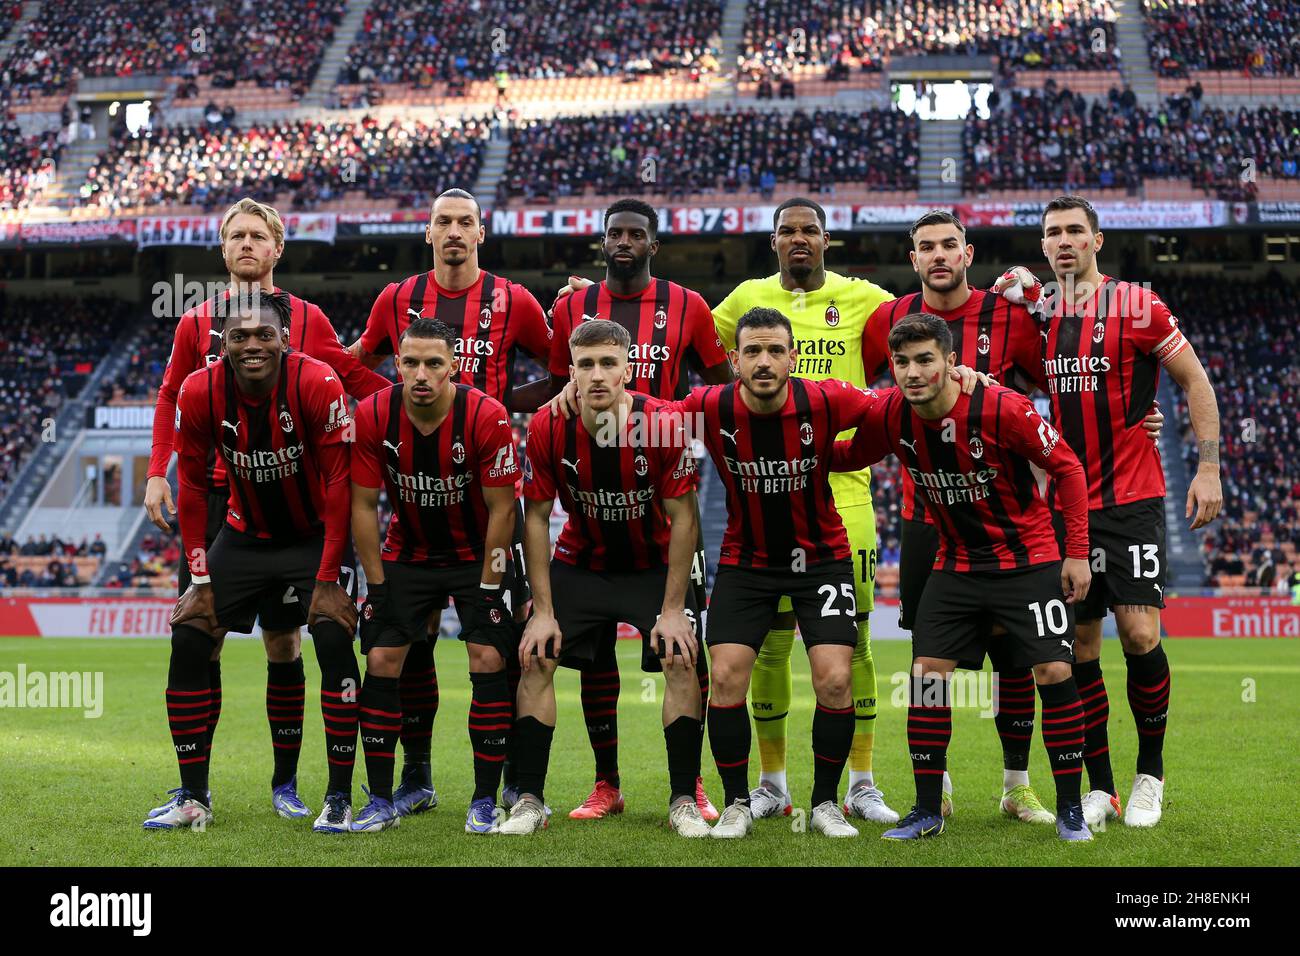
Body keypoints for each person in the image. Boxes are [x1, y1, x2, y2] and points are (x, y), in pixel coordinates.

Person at [861, 209, 1162, 823]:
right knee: (929, 656)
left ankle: (1016, 784)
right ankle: (934, 788)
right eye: (927, 247)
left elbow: (1060, 383)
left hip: (1008, 519)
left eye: (950, 245)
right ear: (912, 257)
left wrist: (1137, 412)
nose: (939, 255)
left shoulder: (1010, 317)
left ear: (968, 253)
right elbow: (861, 397)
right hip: (929, 516)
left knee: (1020, 658)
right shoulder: (884, 321)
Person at [143, 197, 386, 822]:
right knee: (202, 629)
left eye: (258, 235)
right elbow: (172, 396)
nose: (247, 244)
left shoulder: (309, 319)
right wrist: (155, 473)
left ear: (278, 248)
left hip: (299, 500)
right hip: (221, 500)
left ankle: (288, 785)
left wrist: (439, 404)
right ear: (223, 250)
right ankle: (192, 791)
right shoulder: (196, 322)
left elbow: (354, 380)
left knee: (286, 641)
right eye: (236, 236)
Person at [996, 194, 1223, 828]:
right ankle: (1101, 786)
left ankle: (1149, 775)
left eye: (1075, 230)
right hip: (1067, 506)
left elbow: (1195, 381)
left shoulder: (1139, 306)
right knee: (1082, 650)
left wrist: (1207, 466)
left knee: (1141, 633)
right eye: (1052, 233)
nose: (1064, 240)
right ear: (1043, 247)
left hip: (1133, 498)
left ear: (1097, 241)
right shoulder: (1038, 316)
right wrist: (1017, 286)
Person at [833, 312, 1095, 841]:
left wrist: (1077, 553)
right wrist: (780, 446)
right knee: (927, 673)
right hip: (955, 564)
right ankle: (927, 809)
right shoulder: (891, 415)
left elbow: (1067, 466)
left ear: (952, 362)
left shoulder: (1003, 407)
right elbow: (846, 453)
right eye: (902, 362)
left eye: (925, 359)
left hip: (1028, 561)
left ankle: (1070, 808)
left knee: (1052, 672)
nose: (912, 372)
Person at [348, 187, 551, 816]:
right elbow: (357, 362)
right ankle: (416, 778)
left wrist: (514, 408)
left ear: (481, 233)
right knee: (408, 648)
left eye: (466, 222)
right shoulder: (397, 300)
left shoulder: (512, 299)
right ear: (429, 233)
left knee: (500, 648)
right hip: (414, 502)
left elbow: (561, 363)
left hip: (488, 485)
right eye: (444, 222)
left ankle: (508, 783)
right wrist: (371, 413)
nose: (455, 231)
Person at [711, 198, 897, 824]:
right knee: (766, 648)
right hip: (767, 487)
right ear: (773, 241)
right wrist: (590, 300)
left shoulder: (865, 296)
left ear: (826, 240)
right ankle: (770, 783)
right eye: (787, 230)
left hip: (842, 494)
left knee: (855, 646)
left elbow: (928, 322)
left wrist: (1012, 295)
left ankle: (861, 781)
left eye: (809, 231)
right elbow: (687, 339)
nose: (799, 239)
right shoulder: (744, 299)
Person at [546, 198, 730, 821]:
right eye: (614, 233)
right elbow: (556, 388)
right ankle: (606, 783)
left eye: (636, 234)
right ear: (602, 241)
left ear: (654, 244)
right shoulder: (572, 306)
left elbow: (718, 383)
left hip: (663, 488)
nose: (623, 242)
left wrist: (677, 422)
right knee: (592, 660)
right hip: (593, 505)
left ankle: (691, 785)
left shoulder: (689, 306)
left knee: (683, 654)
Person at [503, 320, 708, 837]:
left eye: (608, 363)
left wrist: (671, 610)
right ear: (570, 371)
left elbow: (685, 518)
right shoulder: (549, 426)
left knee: (682, 656)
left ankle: (685, 796)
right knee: (535, 656)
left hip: (655, 563)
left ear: (628, 370)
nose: (597, 374)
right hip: (585, 559)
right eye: (586, 364)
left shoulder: (660, 424)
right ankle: (533, 800)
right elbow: (534, 516)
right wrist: (542, 611)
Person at [350, 318, 523, 834]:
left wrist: (491, 585)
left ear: (455, 366)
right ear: (396, 363)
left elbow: (502, 509)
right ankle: (385, 797)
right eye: (409, 362)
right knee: (382, 656)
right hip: (410, 549)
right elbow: (363, 505)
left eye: (433, 363)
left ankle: (485, 798)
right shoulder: (374, 413)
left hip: (477, 553)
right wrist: (377, 587)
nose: (420, 374)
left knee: (489, 654)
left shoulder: (486, 416)